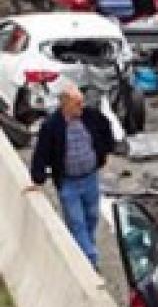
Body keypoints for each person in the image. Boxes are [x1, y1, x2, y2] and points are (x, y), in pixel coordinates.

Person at [28, 81, 116, 270]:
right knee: (77, 223)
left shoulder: (91, 117)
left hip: (90, 179)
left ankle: (84, 251)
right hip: (69, 184)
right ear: (65, 103)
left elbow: (106, 128)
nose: (81, 106)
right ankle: (90, 260)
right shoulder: (52, 126)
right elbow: (41, 153)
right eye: (77, 103)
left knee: (91, 218)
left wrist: (106, 151)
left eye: (81, 102)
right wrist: (38, 179)